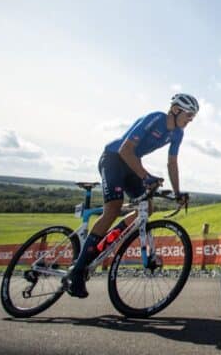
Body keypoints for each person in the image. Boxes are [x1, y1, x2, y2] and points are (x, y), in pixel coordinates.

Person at [64, 93, 198, 298]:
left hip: (132, 164)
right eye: (189, 115)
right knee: (113, 209)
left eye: (193, 117)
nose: (191, 120)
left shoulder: (178, 134)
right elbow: (126, 149)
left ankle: (108, 239)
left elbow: (172, 163)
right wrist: (146, 176)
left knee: (147, 208)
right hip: (114, 159)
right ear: (176, 110)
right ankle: (77, 271)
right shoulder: (156, 118)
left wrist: (178, 192)